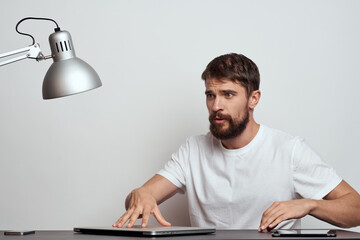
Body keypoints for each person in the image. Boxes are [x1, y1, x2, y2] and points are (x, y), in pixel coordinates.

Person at [113, 53, 360, 231]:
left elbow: (356, 209)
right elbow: (140, 198)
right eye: (211, 95)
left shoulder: (289, 150)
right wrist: (141, 195)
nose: (216, 106)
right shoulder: (193, 149)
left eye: (228, 94)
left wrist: (308, 205)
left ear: (254, 99)